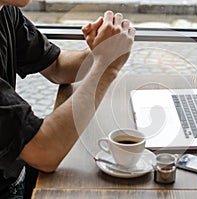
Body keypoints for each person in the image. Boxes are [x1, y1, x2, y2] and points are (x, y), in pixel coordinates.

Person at [0, 0, 136, 197]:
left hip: (17, 170)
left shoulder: (6, 11)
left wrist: (102, 50)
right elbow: (46, 152)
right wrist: (107, 67)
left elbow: (57, 66)